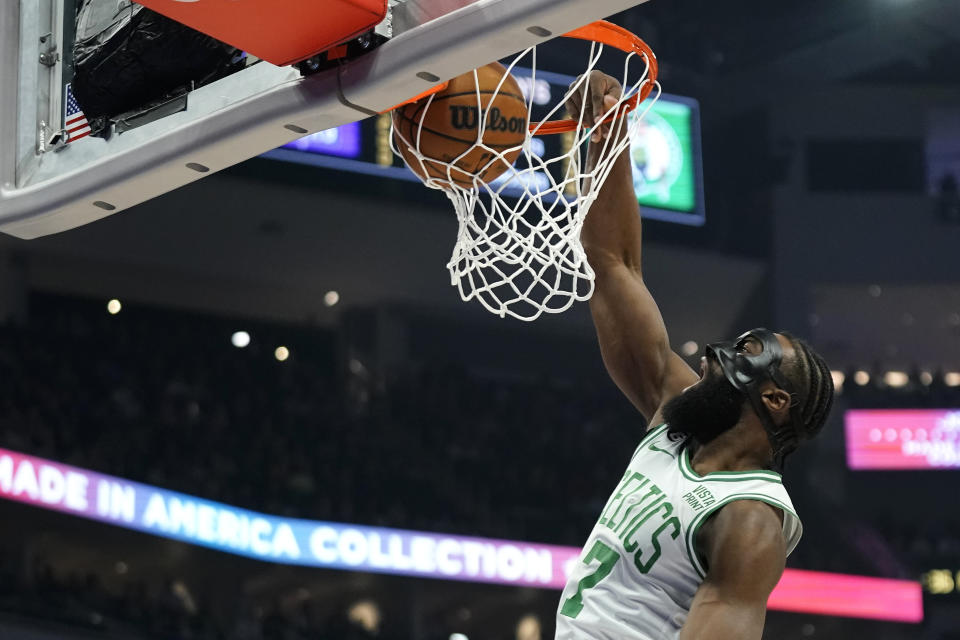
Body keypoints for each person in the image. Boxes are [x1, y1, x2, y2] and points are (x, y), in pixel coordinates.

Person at [554, 71, 834, 640]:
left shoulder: (751, 521)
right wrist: (609, 135)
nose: (713, 353)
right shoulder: (675, 414)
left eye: (745, 351)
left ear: (775, 398)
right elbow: (612, 263)